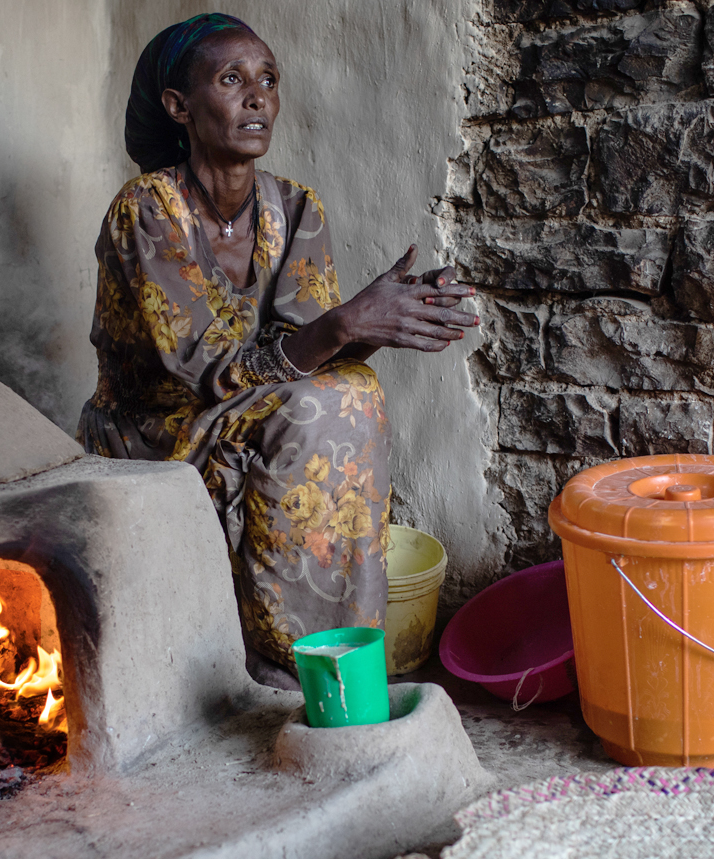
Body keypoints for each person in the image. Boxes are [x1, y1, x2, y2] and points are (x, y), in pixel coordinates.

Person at [78, 13, 479, 688]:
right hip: (153, 432)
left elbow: (303, 359)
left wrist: (377, 323)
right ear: (180, 106)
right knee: (325, 406)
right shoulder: (145, 209)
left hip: (245, 413)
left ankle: (340, 664)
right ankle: (289, 665)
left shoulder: (295, 207)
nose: (258, 96)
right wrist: (346, 323)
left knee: (352, 395)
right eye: (231, 79)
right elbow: (205, 368)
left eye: (268, 79)